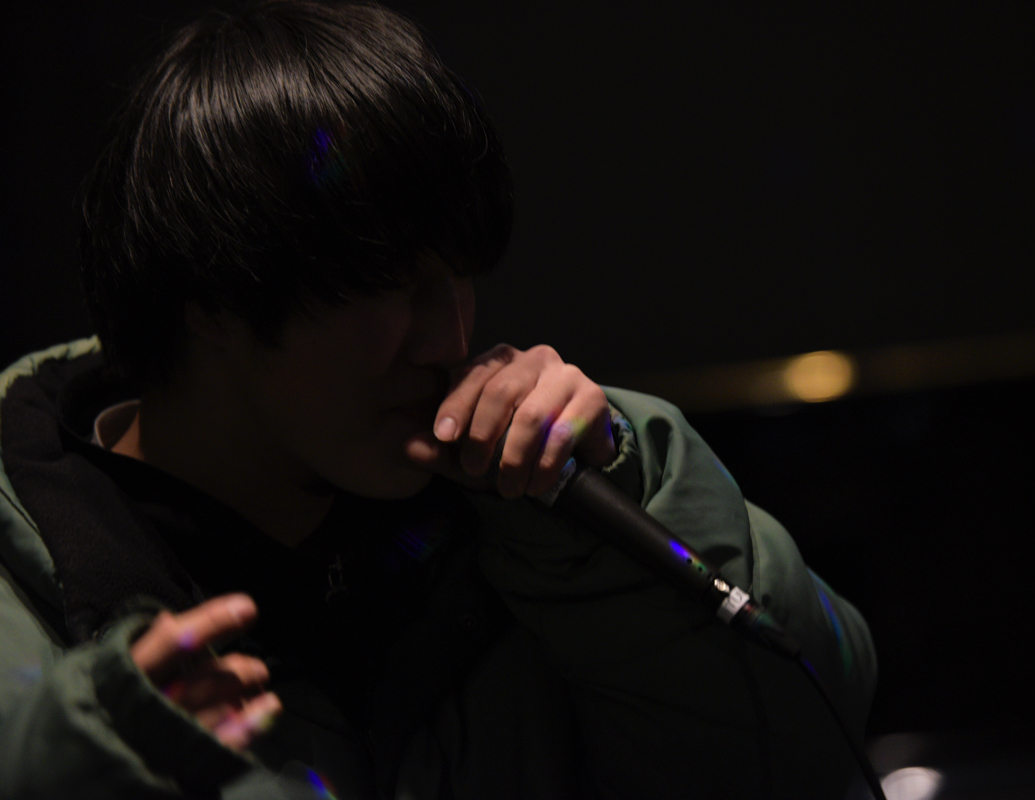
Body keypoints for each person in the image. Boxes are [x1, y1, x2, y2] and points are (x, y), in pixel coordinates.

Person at [0, 1, 876, 797]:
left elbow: (809, 740)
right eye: (387, 282)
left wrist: (612, 491)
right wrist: (81, 765)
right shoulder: (27, 574)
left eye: (461, 275)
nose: (449, 339)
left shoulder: (508, 520)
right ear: (211, 298)